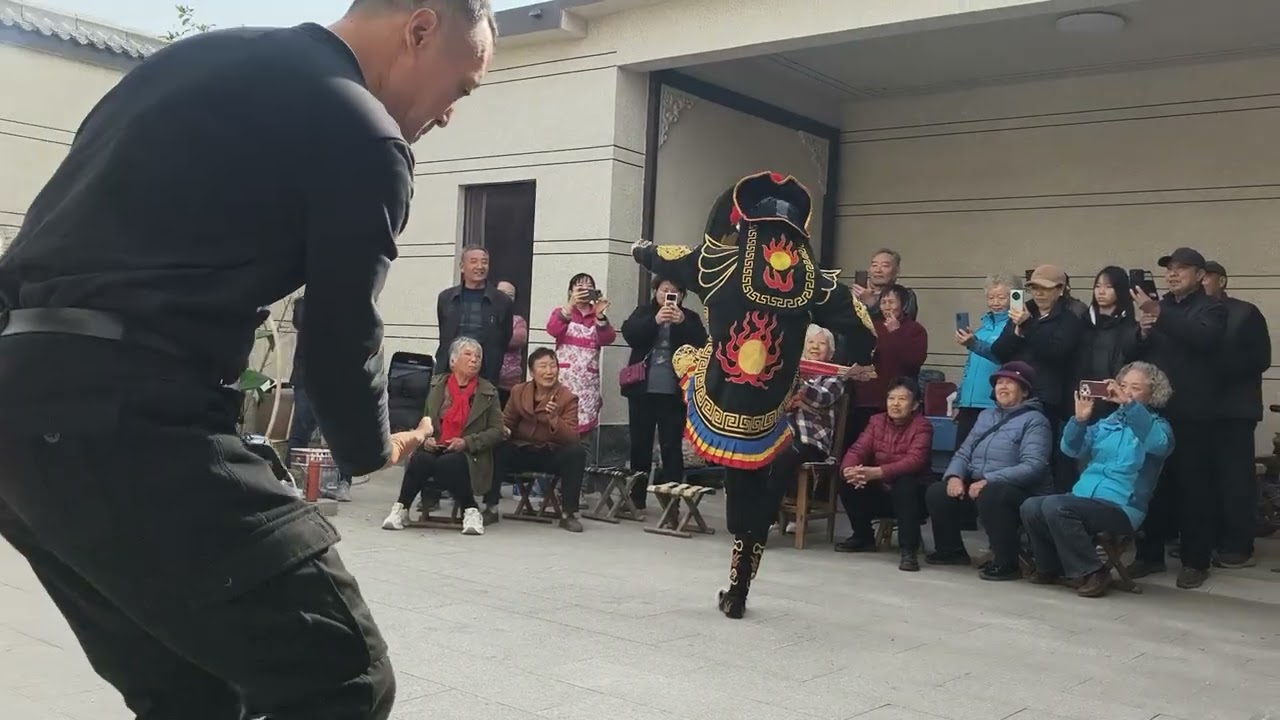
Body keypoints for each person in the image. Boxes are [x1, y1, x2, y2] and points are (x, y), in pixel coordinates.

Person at [0, 0, 495, 716]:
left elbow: (47, 231)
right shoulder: (364, 133)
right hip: (134, 417)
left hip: (21, 415)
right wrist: (370, 445)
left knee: (191, 693)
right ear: (419, 29)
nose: (450, 113)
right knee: (342, 673)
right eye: (461, 86)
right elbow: (337, 335)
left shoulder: (188, 63)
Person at [632, 171, 877, 620]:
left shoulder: (716, 263)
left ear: (746, 225)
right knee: (755, 482)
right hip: (770, 411)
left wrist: (640, 249)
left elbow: (660, 256)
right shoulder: (816, 283)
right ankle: (741, 579)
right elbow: (863, 326)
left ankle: (739, 573)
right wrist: (854, 356)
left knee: (692, 361)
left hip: (719, 398)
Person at [1021, 362, 1174, 597]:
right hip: (1085, 498)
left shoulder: (1159, 427)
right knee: (1032, 506)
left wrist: (1129, 404)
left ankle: (1094, 571)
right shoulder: (1107, 423)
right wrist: (1080, 420)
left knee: (1057, 506)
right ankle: (1050, 567)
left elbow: (1158, 445)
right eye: (1122, 386)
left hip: (1123, 506)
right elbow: (1070, 450)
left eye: (1135, 388)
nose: (1126, 391)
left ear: (1152, 395)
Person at [1129, 247, 1226, 589]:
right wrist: (1141, 333)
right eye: (1169, 269)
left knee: (1193, 488)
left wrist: (1157, 311)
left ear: (1201, 275)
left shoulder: (1213, 306)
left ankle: (1195, 561)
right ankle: (1149, 555)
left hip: (1193, 413)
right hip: (1155, 412)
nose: (1172, 274)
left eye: (1181, 268)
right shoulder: (1161, 307)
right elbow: (1133, 354)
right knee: (1152, 484)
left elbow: (1202, 339)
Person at [925, 361, 1053, 580]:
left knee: (993, 494)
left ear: (1024, 391)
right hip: (979, 483)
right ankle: (951, 551)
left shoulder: (1035, 421)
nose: (1002, 387)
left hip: (1017, 489)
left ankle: (1007, 562)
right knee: (938, 490)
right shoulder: (986, 416)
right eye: (999, 383)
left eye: (1010, 383)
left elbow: (1033, 466)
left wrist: (989, 480)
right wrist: (955, 477)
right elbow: (964, 453)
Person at [382, 337, 502, 534]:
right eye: (468, 354)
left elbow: (497, 430)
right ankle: (401, 508)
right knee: (420, 460)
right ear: (453, 361)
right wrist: (425, 438)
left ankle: (470, 510)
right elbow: (421, 418)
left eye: (478, 356)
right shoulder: (435, 385)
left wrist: (466, 442)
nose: (474, 360)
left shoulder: (488, 391)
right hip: (436, 446)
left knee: (450, 462)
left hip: (469, 454)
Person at [1202, 260, 1271, 569]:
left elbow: (1261, 358)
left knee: (1235, 479)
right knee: (1206, 478)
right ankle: (1211, 537)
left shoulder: (1245, 313)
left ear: (1222, 280)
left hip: (1235, 409)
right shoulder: (1191, 315)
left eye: (1207, 277)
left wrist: (1214, 371)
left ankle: (1239, 544)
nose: (1201, 282)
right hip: (1199, 410)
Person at [992, 264, 1083, 492]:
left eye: (1045, 288)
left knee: (1040, 456)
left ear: (1060, 289)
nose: (1039, 293)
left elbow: (1056, 352)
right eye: (1034, 288)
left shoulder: (1069, 318)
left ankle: (1039, 509)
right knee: (1010, 453)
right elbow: (999, 351)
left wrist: (1028, 325)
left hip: (1045, 397)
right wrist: (1016, 331)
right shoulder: (1022, 310)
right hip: (1014, 396)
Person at [621, 277, 708, 516]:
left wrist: (681, 324)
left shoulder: (689, 317)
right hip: (642, 390)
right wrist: (655, 321)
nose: (668, 295)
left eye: (674, 291)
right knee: (640, 446)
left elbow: (702, 343)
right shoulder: (644, 312)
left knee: (671, 448)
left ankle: (673, 502)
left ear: (681, 295)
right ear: (656, 291)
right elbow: (629, 333)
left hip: (674, 392)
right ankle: (636, 498)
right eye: (664, 290)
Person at [836, 377, 934, 571]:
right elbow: (858, 450)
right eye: (891, 399)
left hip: (913, 496)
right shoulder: (876, 421)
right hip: (882, 489)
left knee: (904, 482)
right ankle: (863, 537)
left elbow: (915, 461)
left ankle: (908, 551)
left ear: (914, 405)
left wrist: (878, 472)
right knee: (847, 481)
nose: (895, 404)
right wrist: (849, 470)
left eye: (902, 399)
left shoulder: (923, 426)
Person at [496, 348, 588, 532]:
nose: (549, 371)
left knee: (576, 453)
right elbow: (507, 422)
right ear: (532, 371)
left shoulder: (567, 398)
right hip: (522, 450)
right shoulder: (518, 391)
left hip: (549, 453)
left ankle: (568, 514)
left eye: (553, 366)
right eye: (543, 366)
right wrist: (503, 431)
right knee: (495, 446)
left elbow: (572, 437)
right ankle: (490, 507)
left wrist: (554, 418)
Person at [775, 325, 850, 534]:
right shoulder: (790, 371)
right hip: (784, 434)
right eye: (810, 342)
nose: (815, 347)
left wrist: (799, 385)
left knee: (785, 455)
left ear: (831, 351)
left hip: (812, 441)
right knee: (759, 453)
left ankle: (766, 514)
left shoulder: (835, 377)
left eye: (822, 343)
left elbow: (822, 397)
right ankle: (766, 512)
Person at [285, 293, 355, 501]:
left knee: (339, 433)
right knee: (300, 430)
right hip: (306, 377)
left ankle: (343, 481)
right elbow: (305, 322)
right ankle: (290, 478)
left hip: (337, 379)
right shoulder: (304, 305)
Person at [849, 283, 927, 447]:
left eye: (891, 302)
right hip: (865, 398)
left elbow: (914, 360)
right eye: (883, 302)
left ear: (903, 305)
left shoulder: (914, 329)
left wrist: (895, 333)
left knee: (888, 446)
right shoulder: (871, 326)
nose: (887, 307)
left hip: (894, 400)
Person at [548, 273, 616, 439]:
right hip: (565, 381)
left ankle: (583, 464)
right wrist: (570, 306)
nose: (585, 290)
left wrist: (600, 315)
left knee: (585, 434)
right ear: (571, 291)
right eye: (580, 287)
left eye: (589, 287)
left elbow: (608, 338)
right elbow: (553, 329)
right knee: (561, 426)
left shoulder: (597, 316)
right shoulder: (563, 313)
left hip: (588, 384)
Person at [436, 245, 513, 386]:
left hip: (486, 373)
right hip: (449, 371)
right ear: (462, 267)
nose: (480, 266)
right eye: (473, 261)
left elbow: (505, 338)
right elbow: (444, 333)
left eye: (484, 262)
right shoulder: (446, 298)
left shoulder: (502, 301)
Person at [954, 274, 1016, 445]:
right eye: (991, 297)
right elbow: (969, 367)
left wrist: (974, 343)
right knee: (961, 457)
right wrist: (960, 400)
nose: (995, 302)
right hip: (969, 404)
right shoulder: (981, 329)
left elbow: (1001, 357)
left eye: (1001, 297)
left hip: (994, 404)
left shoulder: (1014, 328)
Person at [1075, 267, 1141, 419]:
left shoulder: (1130, 328)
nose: (1101, 292)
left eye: (1108, 287)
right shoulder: (1082, 324)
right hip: (1081, 402)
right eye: (1097, 286)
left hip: (1114, 404)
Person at [495, 280, 528, 410]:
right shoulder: (484, 316)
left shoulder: (518, 320)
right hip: (484, 380)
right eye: (502, 293)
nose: (506, 297)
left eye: (510, 295)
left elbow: (519, 339)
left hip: (509, 384)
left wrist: (493, 335)